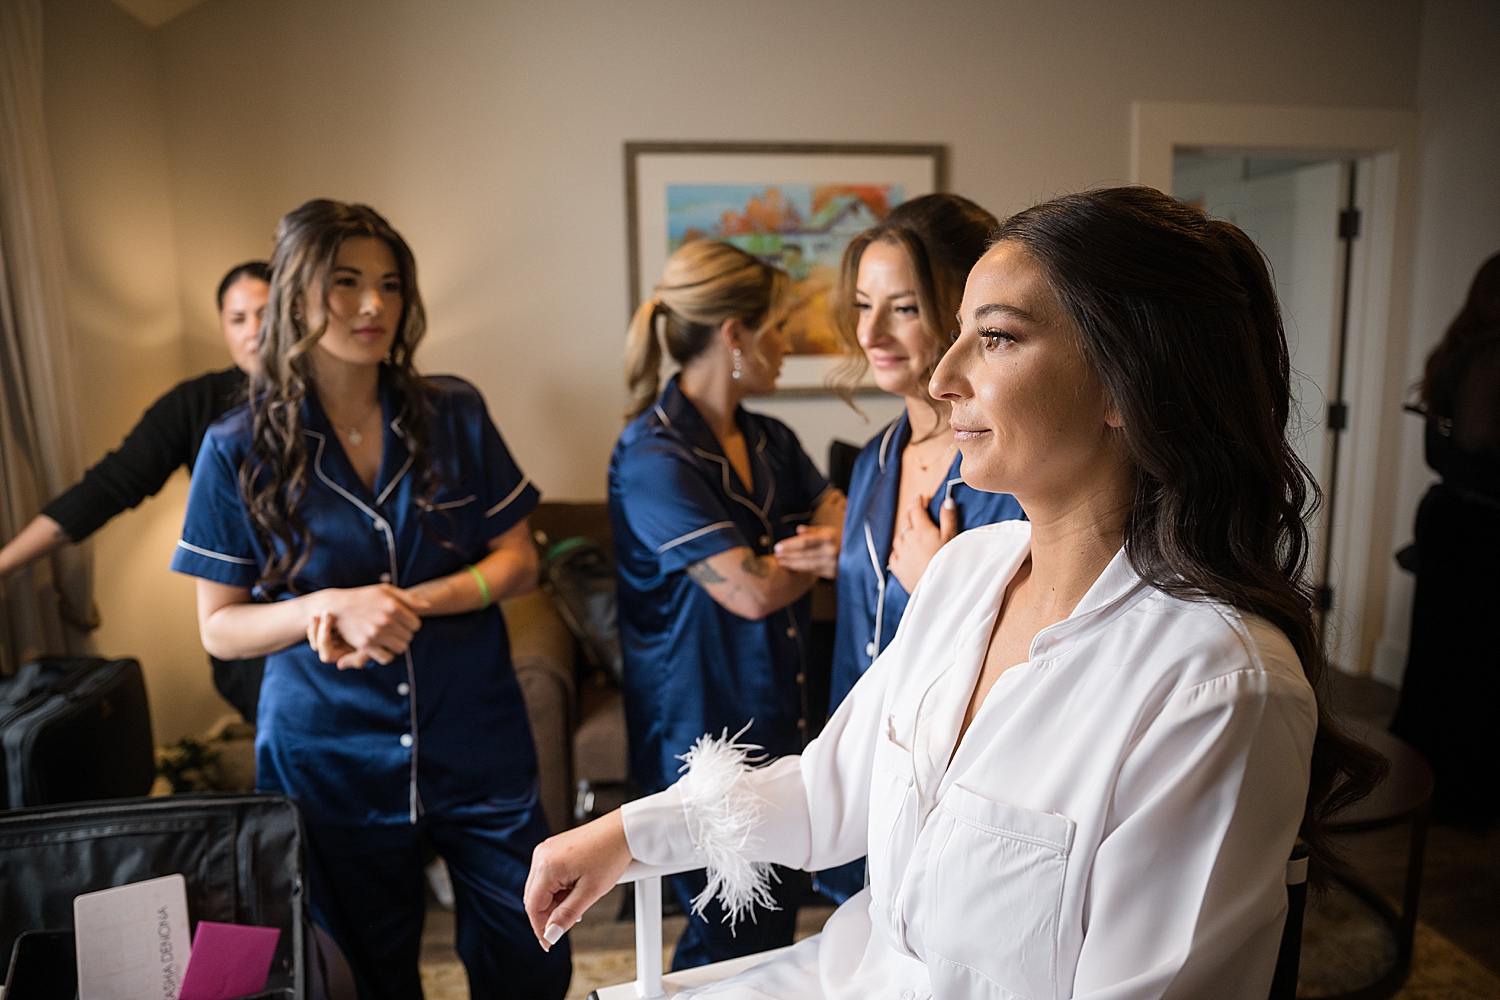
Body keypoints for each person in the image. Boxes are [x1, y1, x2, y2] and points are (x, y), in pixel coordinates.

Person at [525, 187, 1385, 999]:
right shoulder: (970, 570)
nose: (942, 377)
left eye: (999, 338)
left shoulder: (1215, 689)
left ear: (1128, 384)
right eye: (958, 332)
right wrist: (626, 834)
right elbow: (832, 792)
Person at [170, 199, 569, 1000]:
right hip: (329, 758)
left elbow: (519, 561)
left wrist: (408, 601)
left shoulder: (454, 412)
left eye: (389, 285)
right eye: (346, 282)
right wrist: (329, 607)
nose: (373, 306)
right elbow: (221, 627)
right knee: (371, 975)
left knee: (533, 951)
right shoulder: (237, 446)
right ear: (295, 295)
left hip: (476, 739)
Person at [609, 239, 846, 970]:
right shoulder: (652, 456)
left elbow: (837, 505)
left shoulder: (769, 438)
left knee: (764, 926)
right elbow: (750, 592)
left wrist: (814, 545)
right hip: (702, 727)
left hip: (782, 706)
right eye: (778, 326)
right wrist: (816, 557)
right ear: (734, 334)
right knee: (727, 931)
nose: (787, 344)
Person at [817, 194, 1026, 903]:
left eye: (902, 308)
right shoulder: (874, 460)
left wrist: (943, 582)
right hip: (863, 771)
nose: (869, 330)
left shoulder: (1009, 473)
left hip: (960, 789)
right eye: (862, 304)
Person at [0, 262, 270, 722]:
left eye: (268, 314)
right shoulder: (196, 404)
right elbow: (107, 487)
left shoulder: (339, 394)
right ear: (222, 325)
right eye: (238, 318)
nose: (255, 333)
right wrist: (4, 563)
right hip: (249, 629)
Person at [1390, 251, 1500, 824]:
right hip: (1476, 530)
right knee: (1468, 663)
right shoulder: (1489, 357)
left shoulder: (1462, 352)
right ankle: (1455, 790)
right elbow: (1480, 443)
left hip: (1456, 524)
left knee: (1446, 657)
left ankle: (1432, 776)